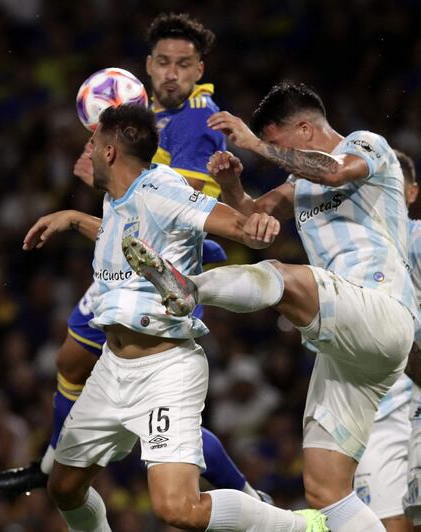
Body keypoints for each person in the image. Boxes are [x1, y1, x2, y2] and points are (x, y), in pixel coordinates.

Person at [0, 12, 264, 504]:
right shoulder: (139, 114)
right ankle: (51, 462)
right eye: (163, 62)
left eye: (183, 64)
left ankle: (248, 496)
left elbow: (169, 198)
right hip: (124, 258)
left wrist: (107, 170)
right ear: (147, 65)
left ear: (200, 69)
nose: (172, 74)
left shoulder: (199, 119)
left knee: (154, 413)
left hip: (165, 271)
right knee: (71, 360)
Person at [127, 82, 416, 532]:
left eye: (279, 144)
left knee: (284, 276)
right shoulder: (300, 183)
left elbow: (336, 172)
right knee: (326, 489)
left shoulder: (365, 145)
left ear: (305, 130)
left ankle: (191, 290)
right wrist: (231, 185)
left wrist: (256, 144)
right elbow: (253, 217)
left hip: (382, 309)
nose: (278, 156)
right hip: (347, 347)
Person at [26, 104, 326, 531]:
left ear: (109, 152)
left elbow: (235, 225)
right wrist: (75, 219)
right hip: (111, 370)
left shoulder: (161, 188)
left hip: (164, 370)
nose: (86, 152)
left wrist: (253, 228)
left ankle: (300, 527)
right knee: (64, 488)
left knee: (177, 509)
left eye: (92, 144)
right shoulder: (118, 199)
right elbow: (123, 236)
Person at [354, 151, 418, 532]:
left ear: (410, 192)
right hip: (379, 411)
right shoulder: (350, 251)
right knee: (389, 524)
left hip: (417, 402)